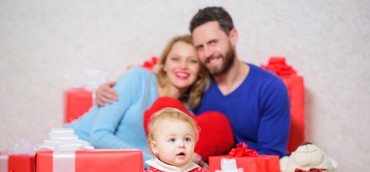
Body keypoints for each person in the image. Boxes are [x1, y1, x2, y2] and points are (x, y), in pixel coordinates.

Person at [96, 6, 291, 157]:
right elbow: (159, 83)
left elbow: (271, 157)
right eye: (200, 47)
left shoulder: (270, 88)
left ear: (233, 36)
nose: (207, 53)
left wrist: (213, 168)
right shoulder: (196, 87)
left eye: (213, 42)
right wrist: (105, 91)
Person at [64, 34, 234, 166]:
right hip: (70, 149)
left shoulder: (184, 115)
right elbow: (99, 136)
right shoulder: (138, 78)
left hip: (115, 166)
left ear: (200, 72)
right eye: (175, 59)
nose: (182, 66)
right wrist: (160, 163)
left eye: (192, 61)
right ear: (164, 64)